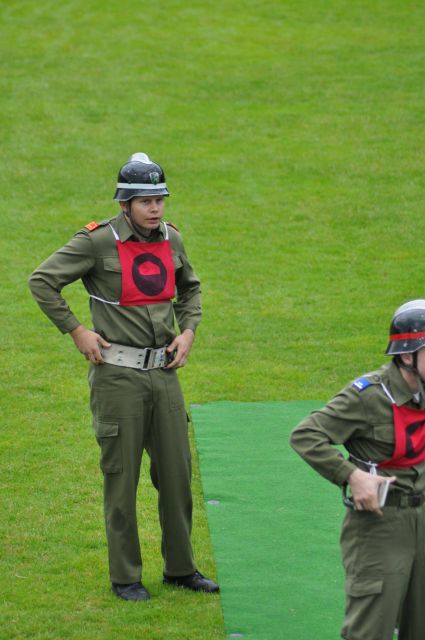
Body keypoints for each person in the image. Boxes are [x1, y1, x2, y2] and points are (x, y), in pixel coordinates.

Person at [29, 152, 219, 601]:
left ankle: (180, 569)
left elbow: (189, 288)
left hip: (165, 376)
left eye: (159, 199)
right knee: (122, 481)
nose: (155, 208)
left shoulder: (171, 238)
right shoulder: (97, 242)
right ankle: (126, 577)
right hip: (117, 380)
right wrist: (77, 331)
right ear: (125, 203)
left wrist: (188, 331)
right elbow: (42, 281)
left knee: (177, 478)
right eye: (145, 201)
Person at [290, 300, 425, 640]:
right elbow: (306, 435)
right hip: (380, 526)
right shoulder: (368, 396)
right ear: (407, 357)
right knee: (371, 629)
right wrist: (352, 475)